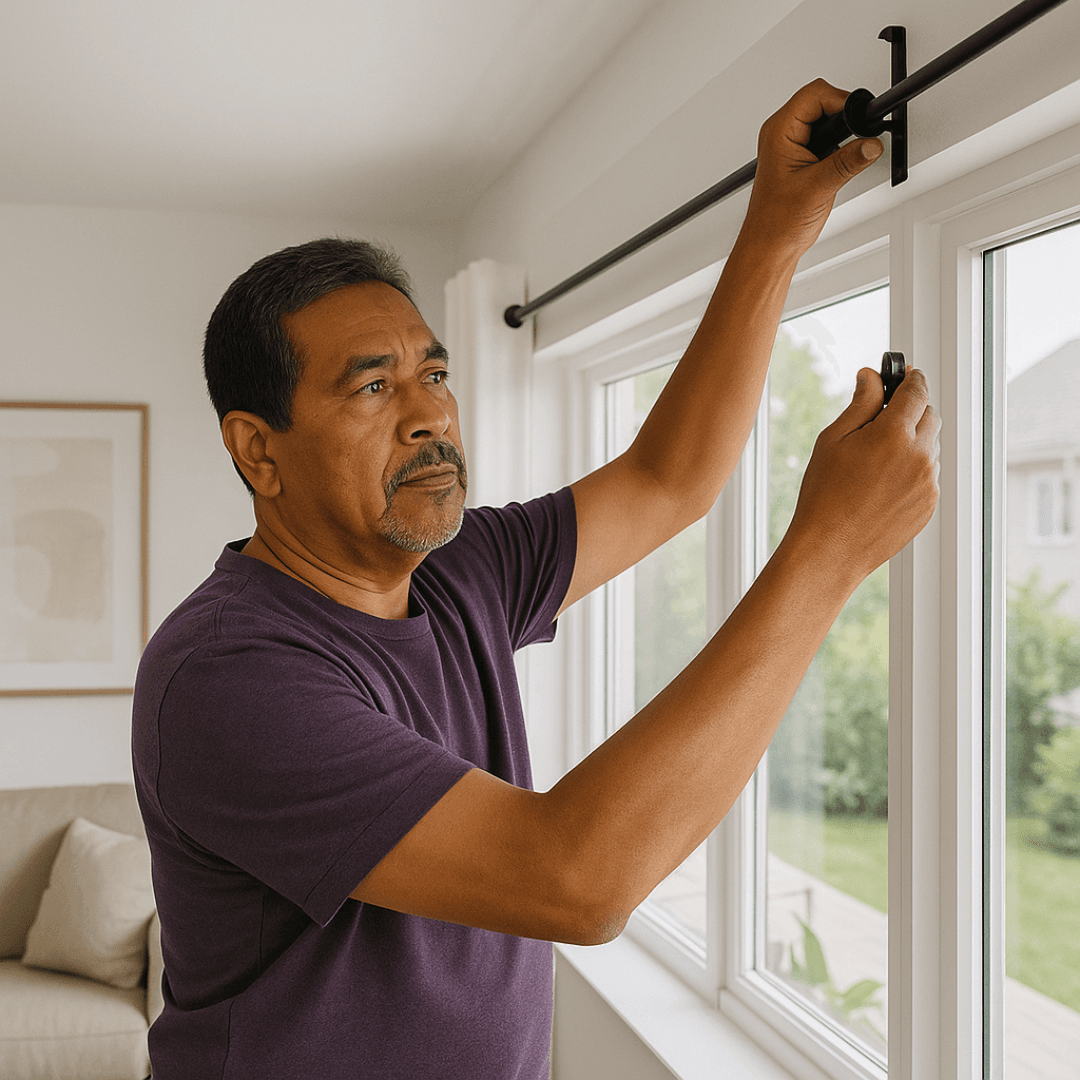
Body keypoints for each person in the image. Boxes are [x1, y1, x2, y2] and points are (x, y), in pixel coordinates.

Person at [131, 79, 939, 1079]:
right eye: (373, 386)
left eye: (434, 374)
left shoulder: (458, 572)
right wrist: (829, 555)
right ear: (260, 453)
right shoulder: (226, 680)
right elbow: (577, 879)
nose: (428, 412)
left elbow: (666, 478)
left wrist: (777, 225)